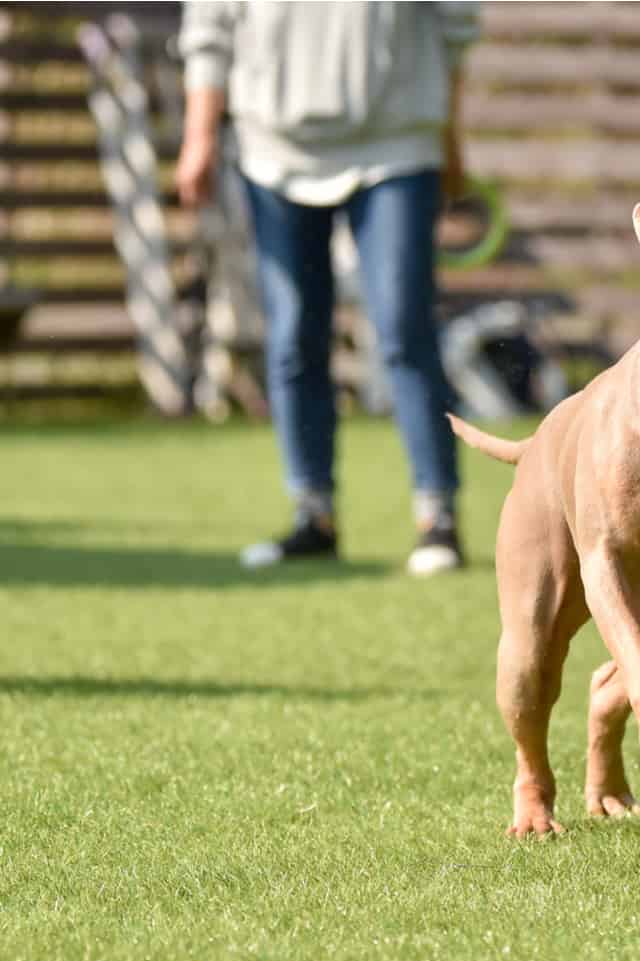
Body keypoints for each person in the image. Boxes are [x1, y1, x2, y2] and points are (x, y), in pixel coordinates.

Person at [176, 1, 481, 575]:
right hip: (273, 151)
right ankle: (313, 515)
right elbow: (209, 30)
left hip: (398, 144)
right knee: (292, 338)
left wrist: (452, 135)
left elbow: (456, 25)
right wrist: (199, 136)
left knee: (403, 329)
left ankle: (436, 515)